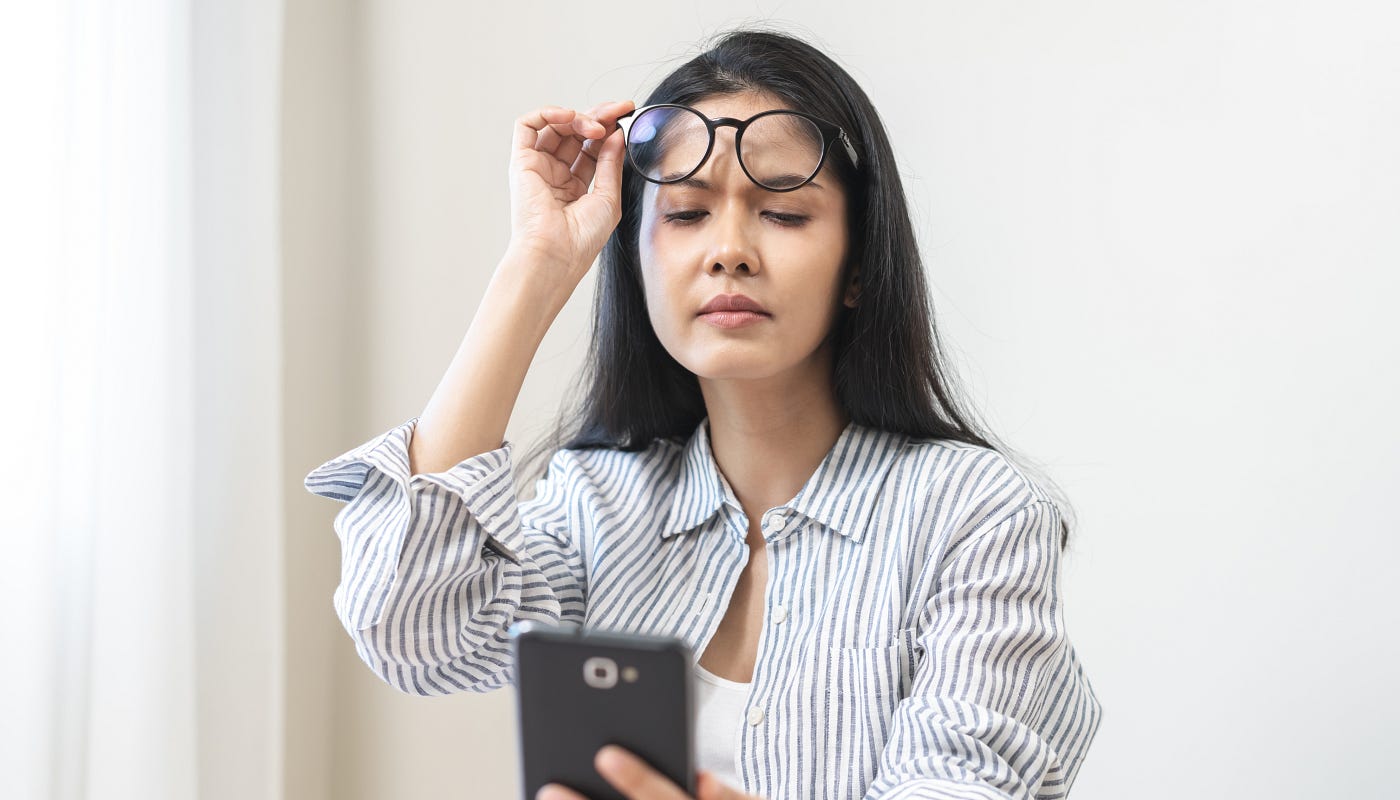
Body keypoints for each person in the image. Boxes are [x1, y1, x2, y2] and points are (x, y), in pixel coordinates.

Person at [305, 26, 1102, 800]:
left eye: (784, 214)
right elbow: (408, 629)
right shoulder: (598, 505)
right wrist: (537, 264)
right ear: (640, 257)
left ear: (858, 267)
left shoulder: (974, 514)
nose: (730, 249)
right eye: (685, 215)